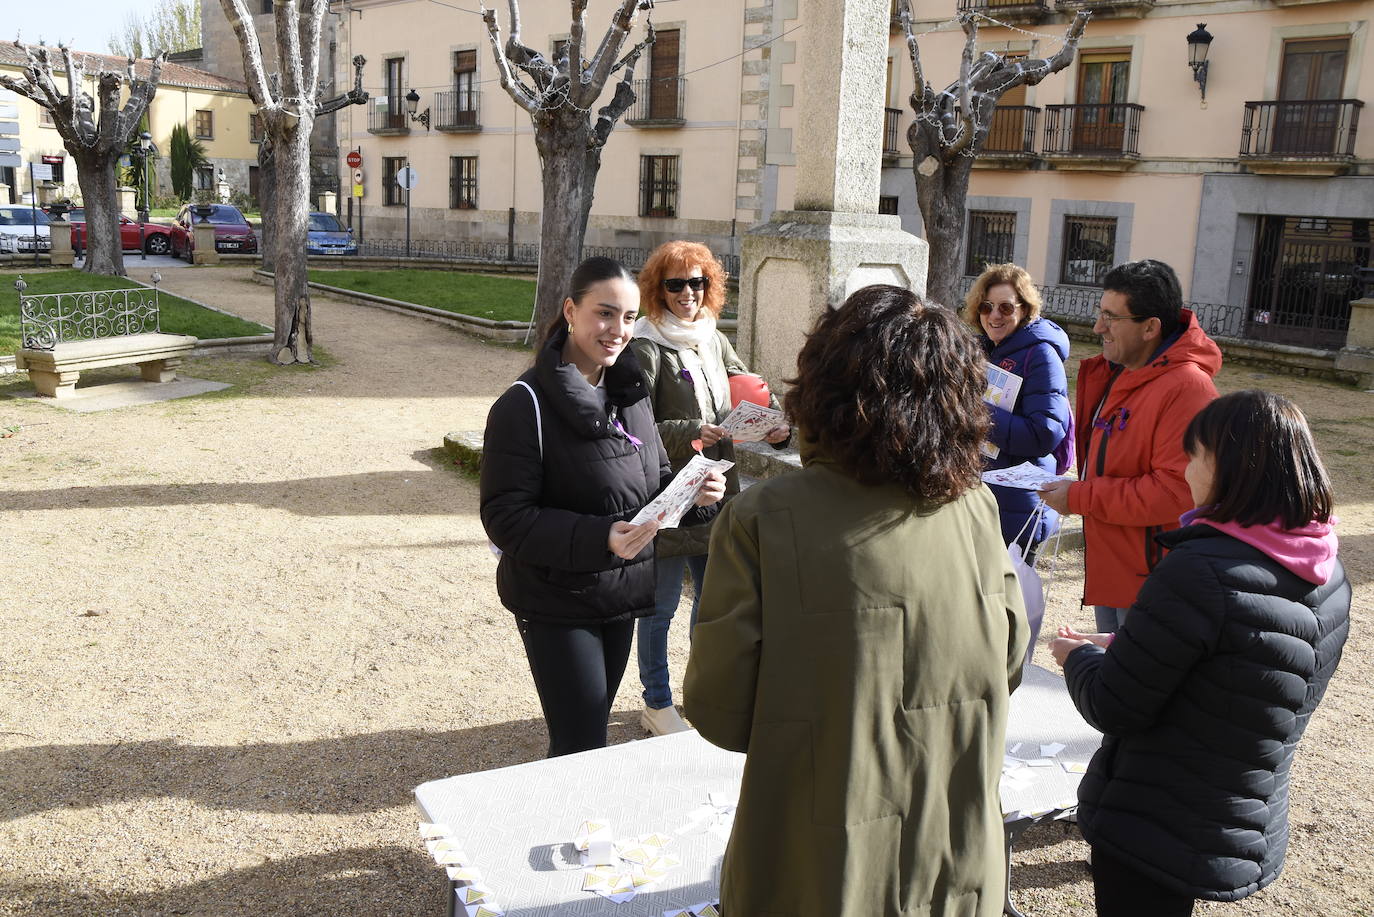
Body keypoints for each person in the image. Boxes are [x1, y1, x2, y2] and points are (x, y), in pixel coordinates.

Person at [685, 285, 1029, 917]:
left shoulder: (766, 517)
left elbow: (719, 707)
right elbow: (1007, 656)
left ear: (824, 386)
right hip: (952, 852)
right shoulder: (978, 509)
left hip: (816, 864)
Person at [1049, 390, 1350, 917]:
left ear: (1232, 468)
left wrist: (1076, 657)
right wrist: (1130, 642)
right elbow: (1247, 658)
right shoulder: (1325, 568)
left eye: (1195, 457)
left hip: (1155, 815)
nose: (1185, 473)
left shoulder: (1201, 569)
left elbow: (1114, 703)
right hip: (1236, 802)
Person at [479, 256, 726, 758]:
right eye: (604, 314)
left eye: (629, 317)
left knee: (592, 737)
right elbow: (506, 517)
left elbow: (653, 482)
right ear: (571, 310)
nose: (617, 330)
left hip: (622, 590)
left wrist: (693, 496)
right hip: (555, 597)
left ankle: (584, 832)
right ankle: (568, 836)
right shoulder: (522, 406)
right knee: (580, 744)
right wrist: (600, 537)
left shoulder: (629, 393)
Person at [629, 240, 790, 737]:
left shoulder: (712, 338)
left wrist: (773, 424)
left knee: (715, 598)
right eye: (675, 284)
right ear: (658, 289)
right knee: (660, 607)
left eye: (697, 282)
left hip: (718, 486)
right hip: (672, 490)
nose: (687, 294)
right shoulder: (644, 345)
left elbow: (746, 386)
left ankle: (700, 690)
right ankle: (656, 702)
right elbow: (636, 428)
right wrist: (696, 430)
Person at [1040, 259, 1220, 632]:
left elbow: (1175, 492)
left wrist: (1079, 497)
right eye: (1099, 312)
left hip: (1152, 579)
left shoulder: (1187, 389)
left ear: (1151, 327)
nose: (1097, 327)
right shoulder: (1121, 371)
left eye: (1111, 317)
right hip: (1116, 567)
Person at [963, 262, 1072, 559]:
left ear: (1025, 309)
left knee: (1013, 601)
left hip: (1018, 504)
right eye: (986, 307)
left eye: (1006, 308)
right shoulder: (977, 349)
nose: (994, 315)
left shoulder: (1041, 354)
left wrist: (975, 412)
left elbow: (1044, 433)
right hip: (979, 494)